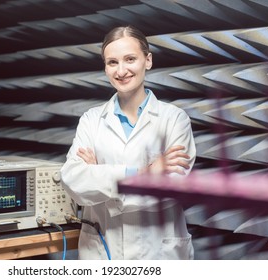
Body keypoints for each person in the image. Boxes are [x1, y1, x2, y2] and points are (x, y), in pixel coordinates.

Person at [60, 25, 196, 260]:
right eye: (112, 62)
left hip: (157, 253)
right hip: (102, 252)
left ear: (148, 60)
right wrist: (142, 173)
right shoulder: (92, 120)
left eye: (130, 59)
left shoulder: (174, 120)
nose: (121, 70)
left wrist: (99, 176)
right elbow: (72, 180)